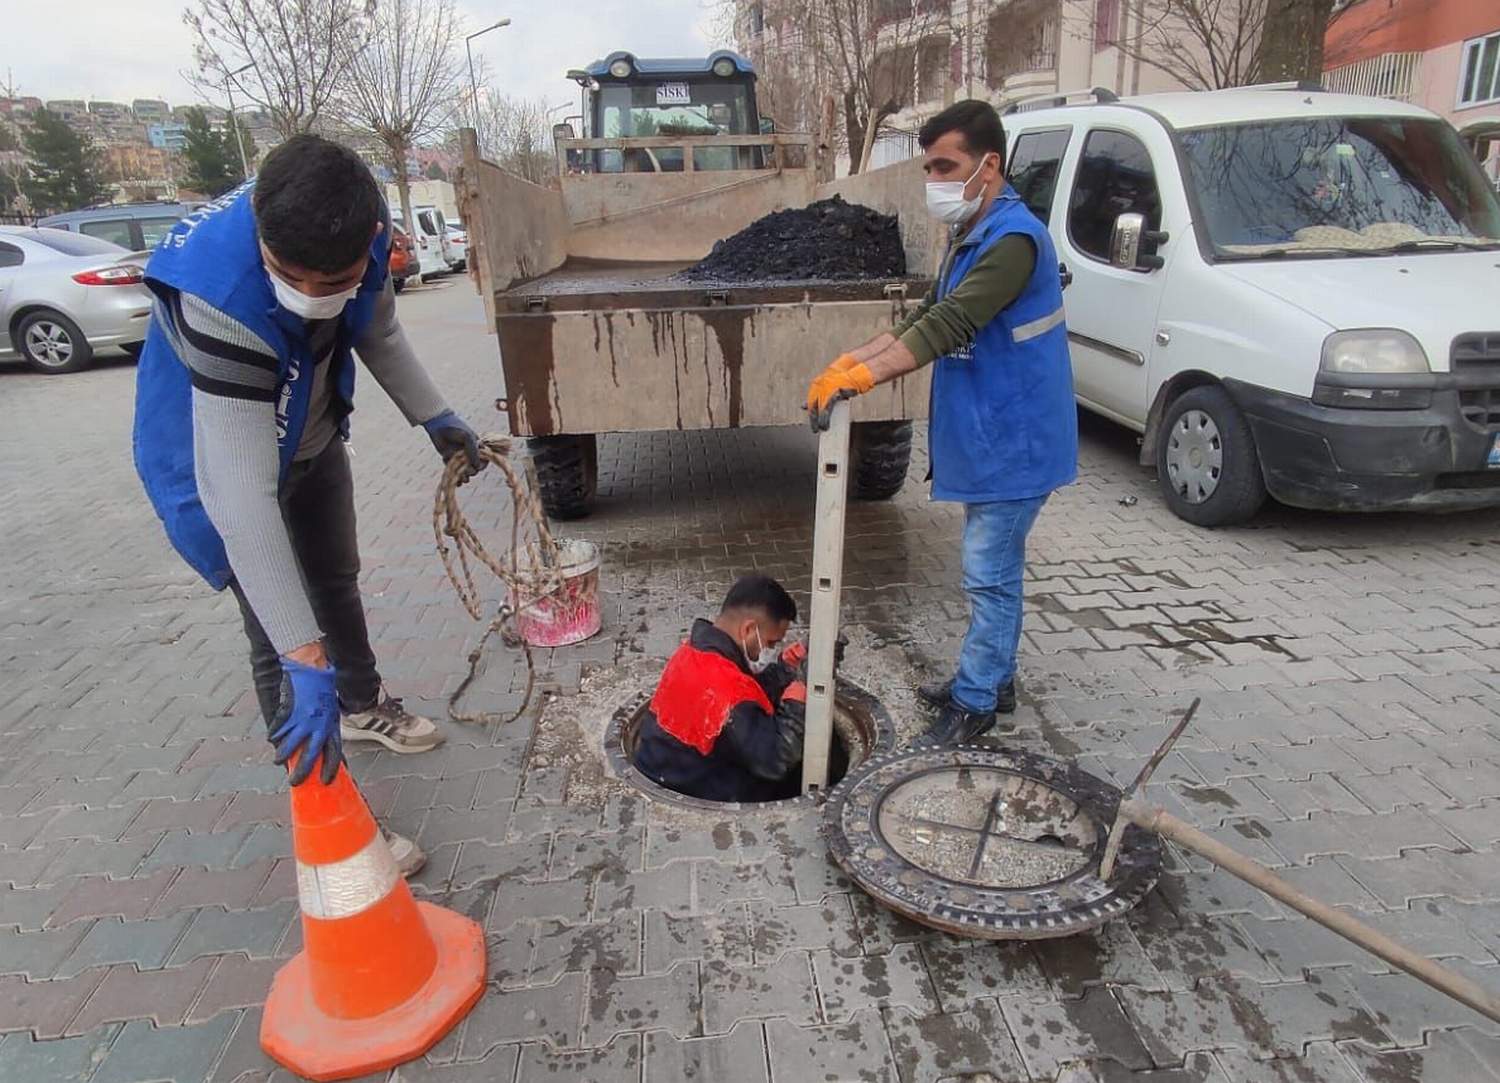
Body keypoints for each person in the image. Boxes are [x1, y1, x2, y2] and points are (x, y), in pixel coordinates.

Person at [132, 135, 484, 875]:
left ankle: (362, 704)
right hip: (221, 463)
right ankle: (331, 814)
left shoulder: (368, 224)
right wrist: (303, 652)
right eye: (292, 279)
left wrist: (435, 416)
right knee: (278, 638)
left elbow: (377, 329)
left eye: (337, 280)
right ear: (264, 240)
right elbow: (243, 495)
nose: (315, 296)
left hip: (312, 434)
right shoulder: (218, 296)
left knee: (335, 575)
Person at [804, 99, 1077, 746]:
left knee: (988, 570)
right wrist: (851, 361)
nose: (935, 181)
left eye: (945, 165)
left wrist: (867, 379)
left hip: (1018, 439)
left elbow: (951, 325)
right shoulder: (972, 234)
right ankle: (993, 676)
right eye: (929, 167)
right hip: (995, 432)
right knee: (995, 567)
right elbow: (924, 314)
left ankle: (976, 700)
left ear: (990, 165)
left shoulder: (1013, 241)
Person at [633, 575, 813, 803]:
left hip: (667, 771)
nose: (770, 649)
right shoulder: (728, 691)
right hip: (694, 794)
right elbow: (775, 760)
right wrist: (796, 707)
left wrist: (786, 668)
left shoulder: (694, 652)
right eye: (771, 643)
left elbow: (746, 692)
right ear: (749, 629)